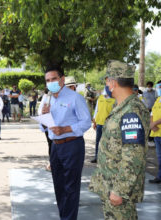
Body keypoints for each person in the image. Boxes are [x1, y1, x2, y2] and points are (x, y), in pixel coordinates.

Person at [89, 60, 150, 220]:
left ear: (112, 82)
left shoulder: (131, 111)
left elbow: (134, 154)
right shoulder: (122, 107)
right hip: (110, 183)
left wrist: (120, 190)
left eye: (107, 81)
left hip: (117, 187)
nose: (107, 85)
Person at [41, 66, 91, 220]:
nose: (51, 83)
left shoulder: (75, 97)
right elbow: (42, 126)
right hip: (55, 147)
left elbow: (86, 122)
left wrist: (66, 129)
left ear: (62, 79)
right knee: (59, 186)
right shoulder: (46, 99)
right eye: (48, 80)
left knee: (71, 187)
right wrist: (44, 117)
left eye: (54, 79)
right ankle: (65, 216)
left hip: (72, 145)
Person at [91, 81, 115, 163]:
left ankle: (107, 159)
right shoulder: (100, 98)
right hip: (99, 123)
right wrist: (94, 122)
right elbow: (96, 110)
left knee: (109, 141)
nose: (105, 94)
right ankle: (97, 157)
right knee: (98, 141)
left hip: (109, 125)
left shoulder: (114, 99)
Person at [37, 88, 53, 171]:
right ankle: (52, 162)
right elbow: (40, 111)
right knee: (51, 144)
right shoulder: (46, 97)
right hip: (48, 125)